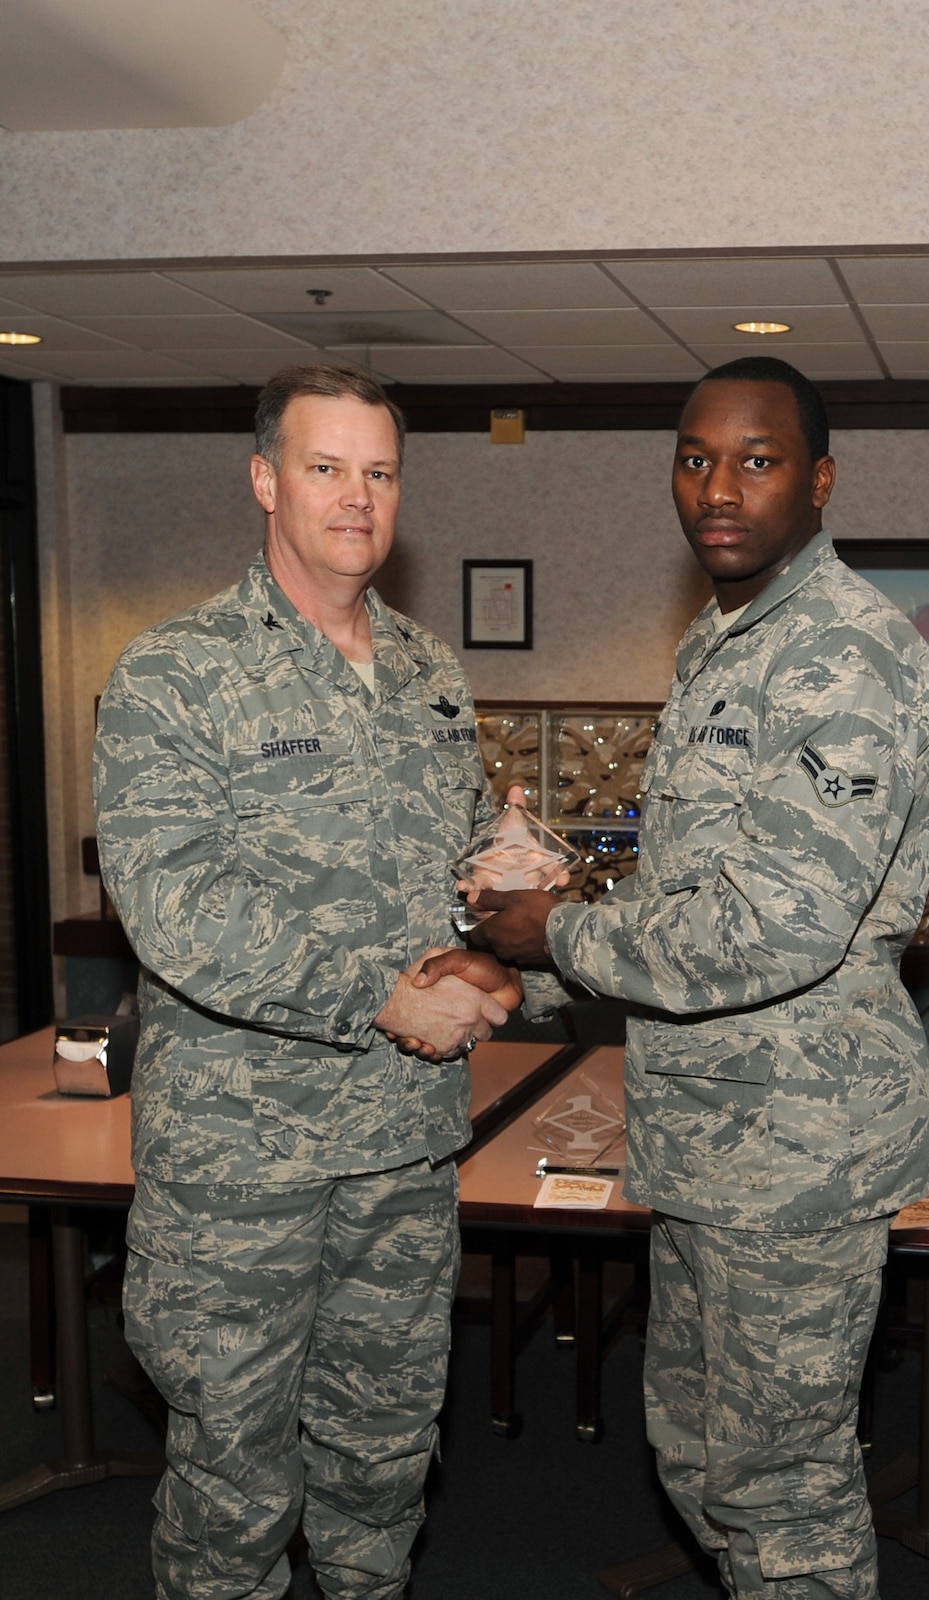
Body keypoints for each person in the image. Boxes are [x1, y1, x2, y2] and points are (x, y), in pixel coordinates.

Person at [453, 355, 929, 1600]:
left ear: (820, 480)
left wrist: (555, 935)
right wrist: (539, 962)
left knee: (782, 1489)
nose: (718, 488)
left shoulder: (843, 653)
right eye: (694, 457)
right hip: (700, 1140)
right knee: (696, 1452)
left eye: (757, 460)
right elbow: (681, 899)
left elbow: (771, 929)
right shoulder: (723, 643)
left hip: (794, 1154)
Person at [93, 363, 525, 1600]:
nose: (355, 498)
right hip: (242, 1169)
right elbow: (175, 906)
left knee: (384, 1466)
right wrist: (382, 992)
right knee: (234, 1483)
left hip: (402, 1149)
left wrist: (501, 907)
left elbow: (448, 883)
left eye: (379, 473)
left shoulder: (429, 671)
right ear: (266, 481)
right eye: (327, 469)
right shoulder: (177, 673)